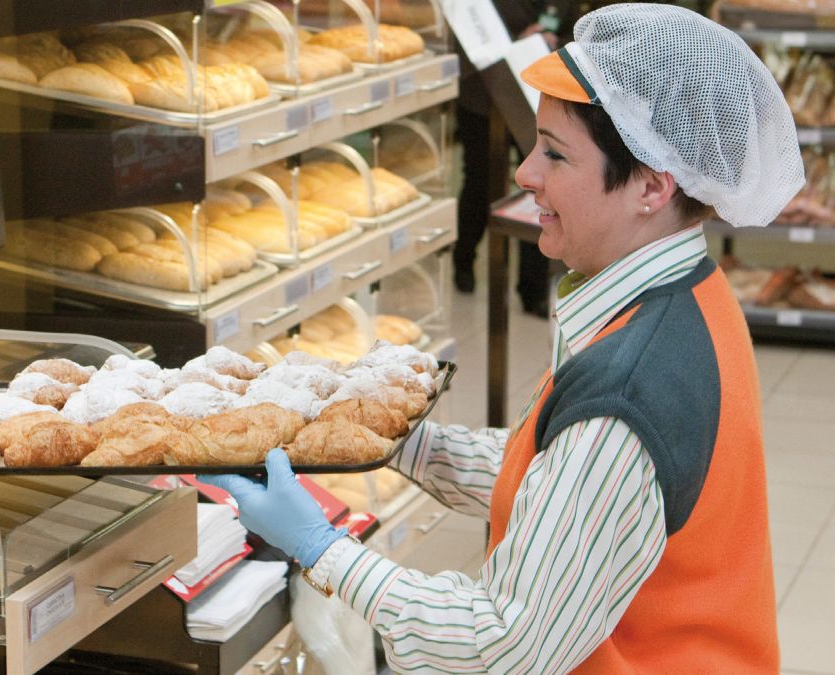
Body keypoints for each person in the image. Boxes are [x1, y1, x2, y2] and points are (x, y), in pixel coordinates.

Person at [203, 4, 801, 671]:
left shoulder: (628, 389)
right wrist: (383, 437)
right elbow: (562, 485)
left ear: (651, 187)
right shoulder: (691, 293)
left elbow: (500, 643)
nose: (525, 174)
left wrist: (320, 546)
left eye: (555, 154)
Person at [452, 1, 577, 316]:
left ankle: (531, 287)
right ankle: (463, 259)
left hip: (533, 100)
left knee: (539, 191)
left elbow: (576, 36)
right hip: (482, 96)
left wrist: (551, 43)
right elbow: (467, 31)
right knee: (479, 181)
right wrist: (516, 39)